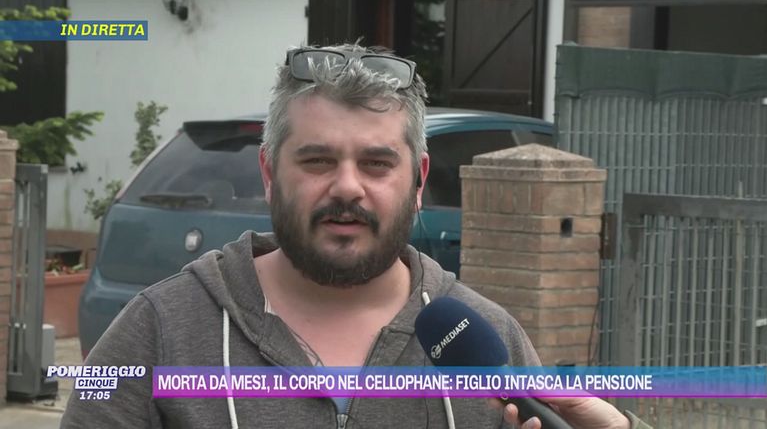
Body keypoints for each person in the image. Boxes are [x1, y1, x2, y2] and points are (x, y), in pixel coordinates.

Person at [62, 43, 649, 429]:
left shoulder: (488, 340)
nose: (347, 186)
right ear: (269, 174)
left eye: (376, 163)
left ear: (417, 181)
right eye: (317, 160)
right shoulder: (155, 331)